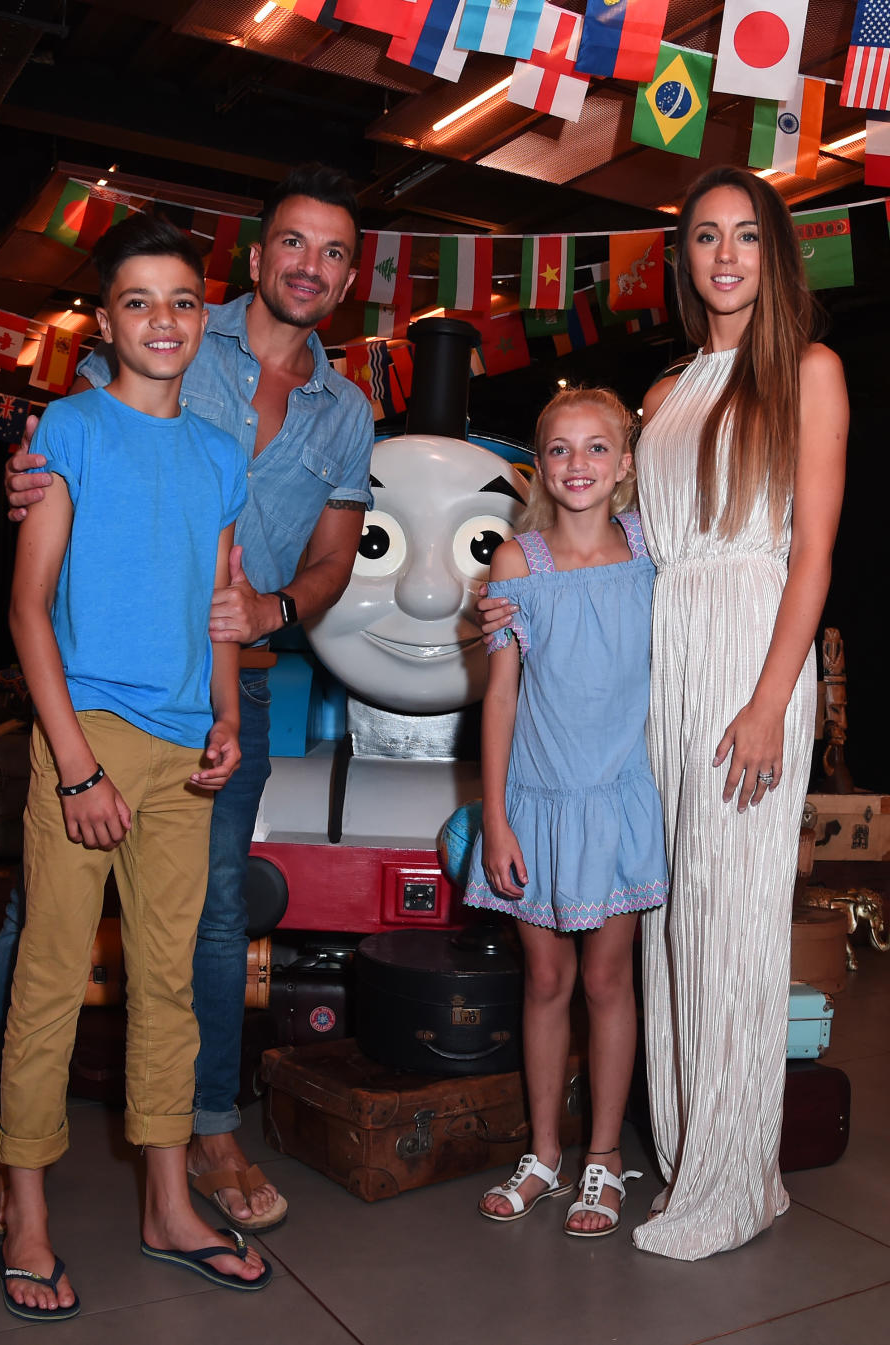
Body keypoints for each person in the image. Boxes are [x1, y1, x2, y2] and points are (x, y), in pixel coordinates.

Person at [0, 165, 374, 1243]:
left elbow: (285, 572)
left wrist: (243, 674)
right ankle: (10, 1164)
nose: (311, 266)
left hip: (210, 708)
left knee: (195, 948)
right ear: (257, 256)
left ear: (352, 273)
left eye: (334, 252)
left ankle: (180, 1174)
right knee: (43, 948)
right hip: (91, 719)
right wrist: (77, 762)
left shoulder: (329, 415)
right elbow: (39, 577)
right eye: (295, 242)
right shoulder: (113, 390)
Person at [0, 214, 271, 1321]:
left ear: (204, 318)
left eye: (183, 301)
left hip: (182, 755)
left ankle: (168, 1201)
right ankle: (25, 1208)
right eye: (140, 302)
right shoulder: (69, 432)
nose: (164, 320)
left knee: (170, 984)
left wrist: (224, 719)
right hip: (87, 739)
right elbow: (26, 609)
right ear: (104, 322)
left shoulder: (218, 451)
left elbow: (222, 600)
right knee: (52, 978)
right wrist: (71, 769)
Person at [628, 166, 848, 1260]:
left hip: (752, 657)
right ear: (685, 258)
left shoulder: (808, 372)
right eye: (706, 236)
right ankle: (693, 1162)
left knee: (735, 919)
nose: (725, 255)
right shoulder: (666, 394)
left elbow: (813, 554)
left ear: (778, 253)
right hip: (667, 663)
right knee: (672, 922)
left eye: (747, 236)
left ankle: (732, 1178)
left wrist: (770, 701)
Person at [465, 386, 668, 1237]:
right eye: (560, 449)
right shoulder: (518, 563)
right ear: (538, 465)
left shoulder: (651, 551)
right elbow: (501, 696)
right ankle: (544, 1153)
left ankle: (603, 1158)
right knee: (545, 980)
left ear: (625, 464)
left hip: (616, 800)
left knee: (607, 980)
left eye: (597, 448)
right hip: (538, 805)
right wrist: (498, 816)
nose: (578, 465)